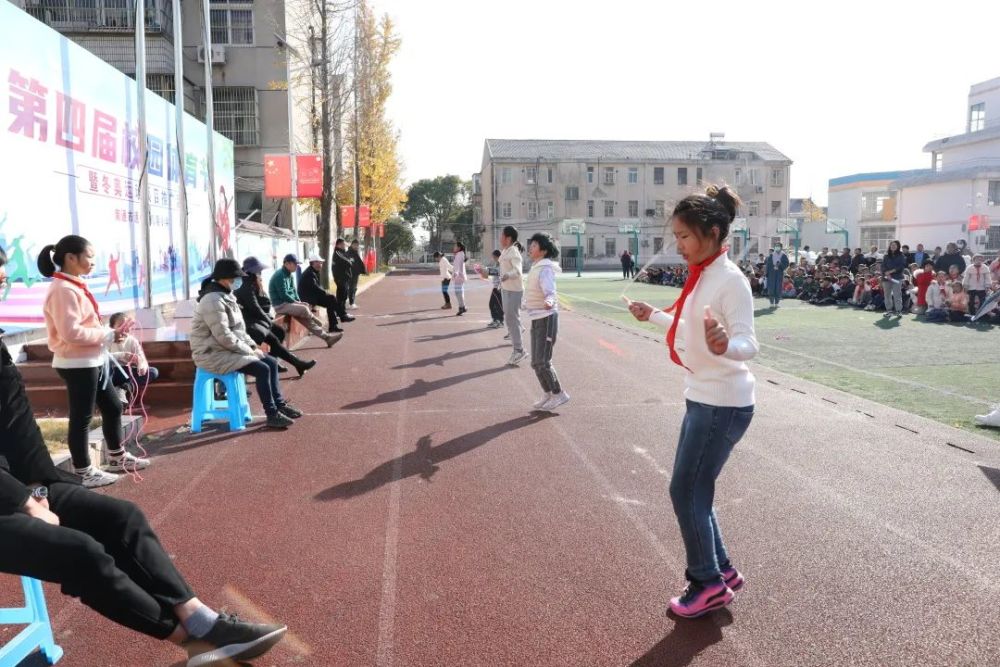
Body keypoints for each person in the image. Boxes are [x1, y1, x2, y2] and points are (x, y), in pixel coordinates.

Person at [0, 253, 287, 667]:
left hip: (17, 486)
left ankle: (202, 620)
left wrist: (45, 487)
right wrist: (24, 502)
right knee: (80, 553)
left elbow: (14, 424)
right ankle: (191, 642)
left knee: (123, 517)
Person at [626, 184, 757, 619]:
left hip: (722, 402)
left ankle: (707, 584)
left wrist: (727, 346)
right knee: (694, 489)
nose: (677, 245)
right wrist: (655, 315)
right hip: (703, 396)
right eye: (677, 236)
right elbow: (689, 328)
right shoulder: (704, 275)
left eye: (684, 236)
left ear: (713, 232)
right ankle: (721, 569)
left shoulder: (729, 281)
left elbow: (747, 342)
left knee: (685, 490)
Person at [38, 236, 149, 488]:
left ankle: (116, 456)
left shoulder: (72, 285)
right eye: (89, 257)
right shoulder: (62, 290)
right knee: (82, 418)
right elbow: (71, 333)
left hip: (91, 360)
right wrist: (108, 334)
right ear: (71, 258)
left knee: (112, 407)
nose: (92, 262)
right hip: (77, 363)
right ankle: (84, 471)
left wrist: (109, 335)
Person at [193, 259, 302, 429]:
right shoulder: (212, 300)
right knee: (262, 368)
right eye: (236, 277)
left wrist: (252, 347)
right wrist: (249, 351)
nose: (239, 281)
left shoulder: (227, 295)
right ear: (224, 278)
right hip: (212, 353)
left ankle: (279, 405)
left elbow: (240, 330)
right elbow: (224, 336)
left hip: (226, 349)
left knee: (271, 363)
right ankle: (271, 414)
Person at [234, 257, 318, 378]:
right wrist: (268, 320)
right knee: (273, 339)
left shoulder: (252, 280)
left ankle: (275, 363)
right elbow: (254, 306)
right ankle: (298, 363)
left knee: (279, 332)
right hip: (248, 322)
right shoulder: (245, 284)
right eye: (258, 270)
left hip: (256, 319)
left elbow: (260, 301)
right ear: (251, 270)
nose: (260, 272)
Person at [524, 233, 569, 411]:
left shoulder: (545, 268)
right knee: (535, 362)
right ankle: (548, 393)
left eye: (534, 246)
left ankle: (559, 394)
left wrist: (550, 300)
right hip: (536, 318)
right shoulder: (535, 267)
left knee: (543, 361)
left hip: (547, 318)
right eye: (531, 245)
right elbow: (532, 291)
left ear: (542, 250)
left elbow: (550, 291)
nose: (530, 248)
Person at [267, 254, 341, 347]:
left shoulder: (289, 275)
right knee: (304, 309)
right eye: (295, 264)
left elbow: (294, 291)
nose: (296, 266)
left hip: (288, 303)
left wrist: (299, 301)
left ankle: (327, 338)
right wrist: (297, 303)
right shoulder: (279, 275)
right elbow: (283, 295)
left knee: (306, 314)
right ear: (287, 263)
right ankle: (314, 318)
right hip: (280, 305)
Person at [108, 312, 159, 403]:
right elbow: (102, 358)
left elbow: (141, 358)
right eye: (120, 326)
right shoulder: (106, 339)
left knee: (153, 371)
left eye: (127, 325)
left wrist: (141, 365)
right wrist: (122, 355)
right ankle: (117, 391)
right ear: (112, 328)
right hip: (113, 372)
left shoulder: (132, 340)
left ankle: (124, 388)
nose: (125, 329)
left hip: (127, 372)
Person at [299, 251, 350, 334]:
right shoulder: (310, 273)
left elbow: (317, 287)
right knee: (331, 298)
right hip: (308, 298)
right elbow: (315, 287)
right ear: (313, 263)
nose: (320, 265)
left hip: (313, 296)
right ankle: (342, 316)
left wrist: (325, 292)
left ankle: (334, 325)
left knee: (331, 300)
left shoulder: (314, 271)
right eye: (318, 263)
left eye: (321, 263)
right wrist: (325, 292)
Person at [498, 227, 527, 366]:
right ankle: (518, 339)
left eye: (502, 235)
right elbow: (502, 270)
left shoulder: (514, 252)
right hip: (505, 288)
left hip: (514, 290)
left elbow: (517, 270)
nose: (500, 238)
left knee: (511, 318)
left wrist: (507, 275)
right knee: (509, 318)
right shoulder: (505, 251)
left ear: (508, 238)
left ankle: (519, 350)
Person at [881, 240, 906, 317]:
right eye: (892, 245)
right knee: (887, 295)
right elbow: (883, 266)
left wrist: (890, 272)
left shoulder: (901, 256)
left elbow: (901, 266)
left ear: (898, 246)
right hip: (886, 278)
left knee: (897, 295)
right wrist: (886, 273)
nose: (893, 246)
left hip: (897, 278)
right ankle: (889, 311)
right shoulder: (886, 256)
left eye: (895, 245)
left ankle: (898, 311)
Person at [331, 239, 355, 318]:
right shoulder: (338, 253)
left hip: (344, 277)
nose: (344, 246)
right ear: (339, 245)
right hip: (341, 278)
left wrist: (349, 261)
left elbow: (348, 261)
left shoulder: (342, 253)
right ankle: (341, 313)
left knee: (343, 296)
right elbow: (347, 262)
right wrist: (350, 261)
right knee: (341, 296)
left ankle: (341, 312)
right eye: (343, 244)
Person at [481, 249, 504, 329]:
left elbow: (497, 272)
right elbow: (488, 274)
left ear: (498, 257)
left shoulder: (502, 265)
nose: (493, 258)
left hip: (499, 288)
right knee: (492, 304)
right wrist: (483, 271)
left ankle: (500, 321)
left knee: (498, 305)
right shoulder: (496, 264)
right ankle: (495, 320)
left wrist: (486, 270)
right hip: (495, 287)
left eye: (494, 257)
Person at [764, 243, 789, 307]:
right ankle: (771, 303)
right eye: (776, 246)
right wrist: (767, 273)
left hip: (779, 273)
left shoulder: (783, 255)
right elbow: (768, 265)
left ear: (781, 247)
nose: (777, 247)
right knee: (771, 287)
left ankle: (777, 303)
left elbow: (786, 263)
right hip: (772, 273)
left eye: (778, 246)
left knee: (778, 287)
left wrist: (780, 264)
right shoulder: (771, 255)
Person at [347, 239, 368, 309]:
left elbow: (359, 263)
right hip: (350, 273)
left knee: (354, 288)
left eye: (357, 245)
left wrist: (363, 270)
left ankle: (351, 302)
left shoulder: (355, 252)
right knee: (351, 288)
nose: (356, 246)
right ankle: (351, 303)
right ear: (352, 244)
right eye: (355, 245)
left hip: (356, 273)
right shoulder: (349, 253)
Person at [452, 241, 468, 315]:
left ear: (459, 248)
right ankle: (462, 307)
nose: (454, 247)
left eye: (455, 246)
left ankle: (462, 307)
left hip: (459, 276)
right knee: (459, 292)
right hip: (459, 276)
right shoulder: (460, 254)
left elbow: (458, 265)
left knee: (458, 292)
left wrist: (456, 273)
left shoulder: (459, 255)